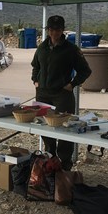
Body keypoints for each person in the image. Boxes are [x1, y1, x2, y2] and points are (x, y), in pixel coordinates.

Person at [31, 15, 92, 171]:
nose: (54, 33)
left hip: (62, 95)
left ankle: (65, 165)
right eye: (51, 29)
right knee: (44, 126)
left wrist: (72, 84)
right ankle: (50, 158)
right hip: (43, 94)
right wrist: (35, 80)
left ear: (62, 30)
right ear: (47, 30)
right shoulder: (42, 47)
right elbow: (36, 66)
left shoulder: (71, 49)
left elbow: (85, 70)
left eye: (57, 30)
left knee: (66, 128)